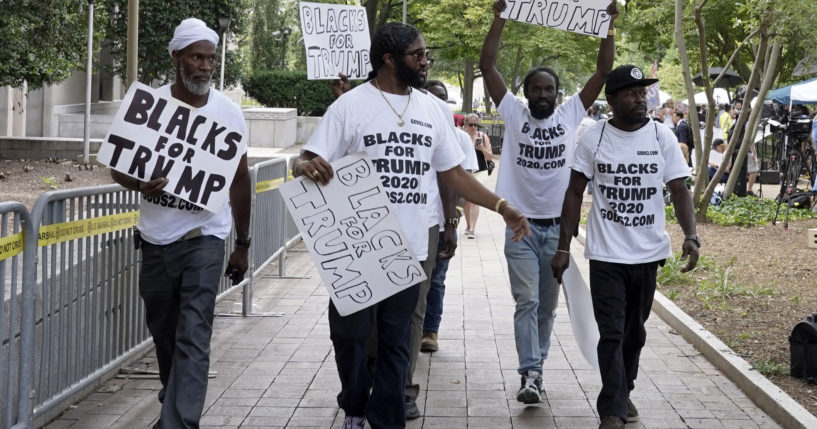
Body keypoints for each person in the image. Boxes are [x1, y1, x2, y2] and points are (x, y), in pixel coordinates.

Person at [291, 22, 530, 429]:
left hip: (411, 248)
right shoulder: (350, 106)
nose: (425, 62)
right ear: (389, 59)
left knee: (396, 343)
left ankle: (387, 418)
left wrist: (501, 206)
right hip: (358, 246)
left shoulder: (432, 110)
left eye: (425, 55)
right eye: (418, 55)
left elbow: (453, 173)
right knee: (349, 336)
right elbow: (306, 158)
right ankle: (353, 401)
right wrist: (304, 165)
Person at [109, 18, 252, 429]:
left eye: (210, 58)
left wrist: (242, 242)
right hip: (155, 239)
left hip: (205, 237)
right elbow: (118, 164)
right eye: (197, 57)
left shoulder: (228, 112)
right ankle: (175, 402)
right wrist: (139, 183)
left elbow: (239, 178)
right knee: (166, 332)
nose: (205, 66)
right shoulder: (148, 107)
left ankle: (179, 423)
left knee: (194, 333)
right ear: (177, 58)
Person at [480, 0, 617, 404]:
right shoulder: (513, 112)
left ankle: (535, 371)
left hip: (557, 230)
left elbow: (603, 72)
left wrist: (608, 27)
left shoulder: (571, 114)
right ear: (525, 93)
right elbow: (488, 66)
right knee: (526, 301)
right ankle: (530, 372)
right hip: (519, 226)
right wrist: (499, 18)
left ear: (558, 94)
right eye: (535, 89)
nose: (542, 94)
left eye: (549, 89)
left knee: (546, 308)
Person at [551, 64, 700, 429]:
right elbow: (573, 192)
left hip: (648, 253)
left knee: (635, 331)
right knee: (612, 331)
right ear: (612, 99)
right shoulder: (594, 137)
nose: (641, 99)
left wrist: (691, 236)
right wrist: (562, 247)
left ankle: (624, 389)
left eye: (643, 93)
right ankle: (612, 409)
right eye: (632, 93)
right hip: (605, 253)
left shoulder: (662, 136)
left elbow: (680, 189)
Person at [420, 81, 480, 355]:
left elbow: (463, 182)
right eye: (431, 95)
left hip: (444, 220)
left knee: (436, 279)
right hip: (416, 221)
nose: (437, 101)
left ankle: (430, 331)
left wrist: (452, 221)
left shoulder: (460, 139)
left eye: (442, 97)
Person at [463, 113, 493, 238]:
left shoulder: (482, 136)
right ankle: (469, 224)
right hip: (465, 171)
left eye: (476, 125)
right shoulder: (462, 136)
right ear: (466, 124)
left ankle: (472, 229)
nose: (474, 127)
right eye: (471, 125)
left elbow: (490, 157)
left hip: (480, 171)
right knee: (466, 201)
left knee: (475, 200)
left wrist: (481, 148)